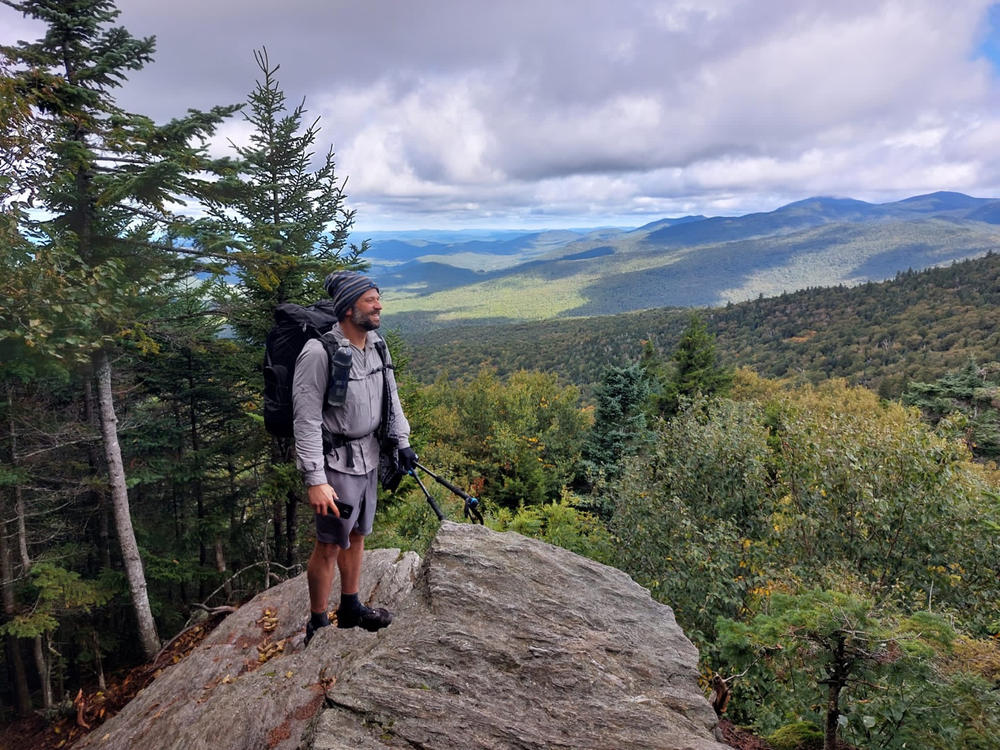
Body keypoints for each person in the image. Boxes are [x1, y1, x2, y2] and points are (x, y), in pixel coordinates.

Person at [292, 271, 417, 644]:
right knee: (329, 543)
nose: (379, 305)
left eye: (378, 298)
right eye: (369, 300)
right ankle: (318, 620)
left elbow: (390, 395)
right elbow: (307, 419)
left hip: (371, 456)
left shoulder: (377, 345)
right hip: (335, 465)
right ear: (348, 308)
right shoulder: (319, 352)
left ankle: (350, 605)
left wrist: (402, 440)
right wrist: (316, 479)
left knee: (359, 534)